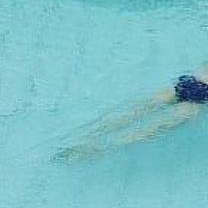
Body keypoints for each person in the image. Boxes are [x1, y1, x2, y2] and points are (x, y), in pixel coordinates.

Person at [61, 65, 208, 156]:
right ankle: (98, 148)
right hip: (198, 93)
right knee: (151, 126)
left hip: (192, 83)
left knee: (138, 114)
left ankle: (91, 141)